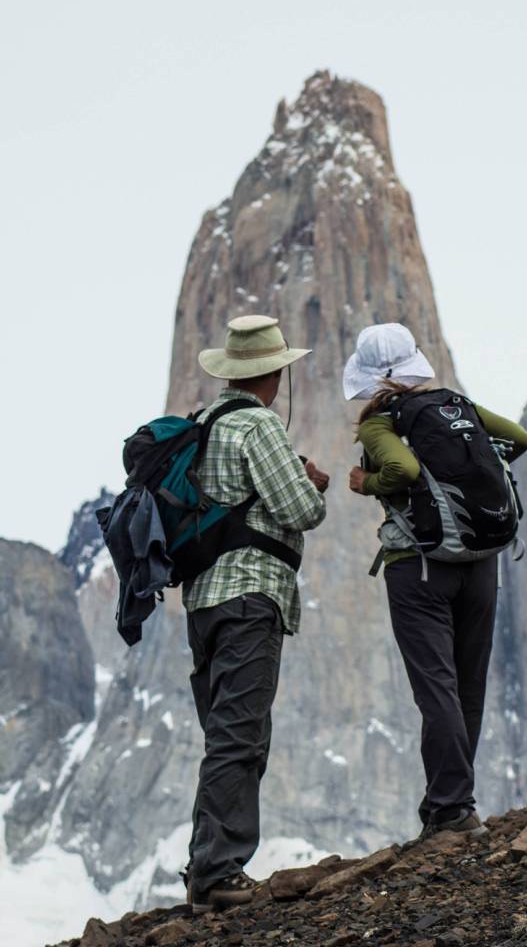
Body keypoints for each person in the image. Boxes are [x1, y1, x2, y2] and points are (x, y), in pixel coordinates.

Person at [343, 323, 527, 839]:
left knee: (436, 686)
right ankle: (450, 805)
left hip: (420, 566)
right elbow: (518, 438)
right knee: (468, 684)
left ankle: (450, 810)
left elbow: (400, 469)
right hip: (479, 560)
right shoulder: (456, 405)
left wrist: (368, 484)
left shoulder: (383, 422)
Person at [183, 315, 329, 912]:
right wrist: (311, 482)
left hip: (203, 600)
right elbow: (300, 511)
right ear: (273, 373)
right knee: (240, 735)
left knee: (226, 731)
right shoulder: (259, 424)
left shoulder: (202, 424)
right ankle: (217, 873)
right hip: (251, 596)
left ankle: (208, 862)